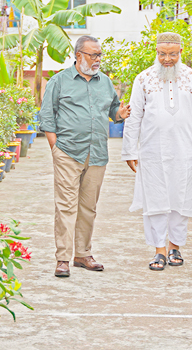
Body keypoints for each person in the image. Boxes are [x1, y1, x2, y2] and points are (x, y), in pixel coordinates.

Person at [39, 35, 131, 278]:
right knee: (66, 206)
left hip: (97, 153)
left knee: (88, 208)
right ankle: (62, 258)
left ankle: (82, 254)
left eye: (100, 54)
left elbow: (113, 109)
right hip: (68, 152)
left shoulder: (105, 83)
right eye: (93, 55)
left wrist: (119, 113)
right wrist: (55, 148)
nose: (98, 59)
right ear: (78, 55)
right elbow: (47, 115)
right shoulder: (59, 81)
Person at [121, 32, 192, 271]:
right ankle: (159, 251)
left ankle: (175, 246)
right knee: (155, 201)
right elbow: (134, 117)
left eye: (172, 54)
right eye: (163, 54)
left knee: (180, 200)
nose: (167, 59)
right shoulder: (143, 79)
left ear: (180, 52)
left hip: (186, 150)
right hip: (152, 151)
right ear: (156, 53)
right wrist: (130, 150)